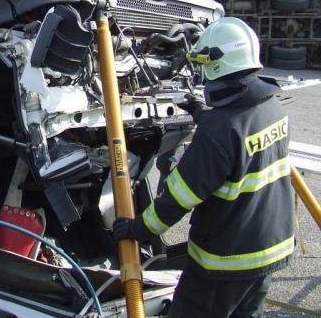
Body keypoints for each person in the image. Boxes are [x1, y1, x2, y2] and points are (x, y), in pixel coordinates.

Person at [113, 17, 294, 318]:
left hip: (225, 263)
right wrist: (202, 114)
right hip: (271, 249)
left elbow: (178, 199)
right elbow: (239, 147)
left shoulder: (218, 132)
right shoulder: (272, 107)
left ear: (217, 65)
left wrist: (137, 229)